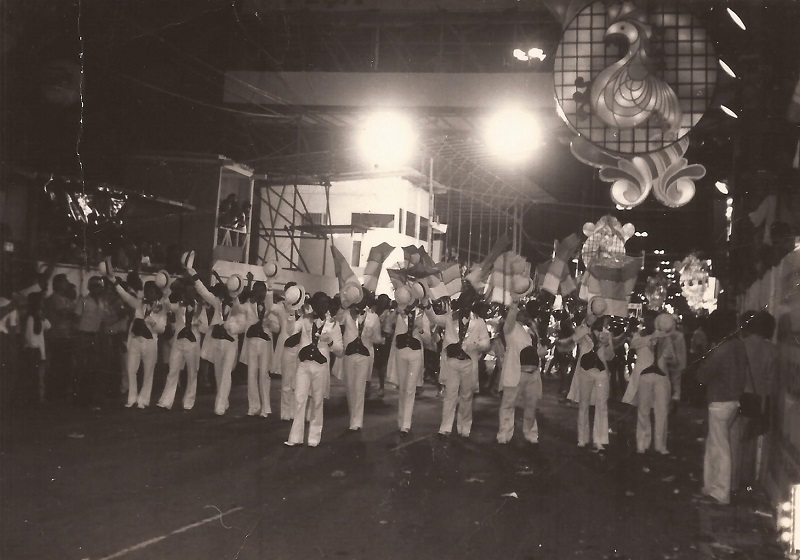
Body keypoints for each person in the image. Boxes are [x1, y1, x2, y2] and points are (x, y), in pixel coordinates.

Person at [424, 286, 490, 438]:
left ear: (471, 304)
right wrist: (427, 305)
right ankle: (445, 428)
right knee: (450, 395)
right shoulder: (450, 317)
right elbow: (434, 319)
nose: (465, 306)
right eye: (463, 302)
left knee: (466, 396)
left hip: (468, 363)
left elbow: (486, 343)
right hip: (452, 362)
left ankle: (464, 427)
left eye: (468, 303)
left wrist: (475, 345)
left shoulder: (479, 322)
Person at [186, 258, 248, 416]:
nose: (227, 294)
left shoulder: (240, 308)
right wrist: (193, 274)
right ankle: (224, 401)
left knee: (226, 373)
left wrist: (229, 327)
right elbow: (203, 291)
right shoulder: (217, 302)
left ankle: (219, 405)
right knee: (218, 374)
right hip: (216, 342)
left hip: (230, 343)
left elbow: (242, 326)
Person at [696, 309, 744, 505]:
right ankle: (710, 487)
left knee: (719, 448)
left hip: (719, 401)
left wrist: (705, 355)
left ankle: (720, 493)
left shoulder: (721, 349)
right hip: (734, 400)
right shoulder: (738, 345)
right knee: (714, 446)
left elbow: (703, 376)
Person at [285, 292, 343, 447]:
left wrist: (330, 342)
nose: (322, 307)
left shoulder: (333, 324)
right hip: (303, 365)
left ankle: (314, 438)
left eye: (325, 304)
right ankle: (295, 437)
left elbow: (340, 351)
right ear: (313, 305)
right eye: (319, 303)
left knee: (317, 401)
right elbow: (290, 331)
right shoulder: (304, 319)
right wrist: (290, 314)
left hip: (320, 367)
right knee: (299, 399)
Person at [106, 265, 167, 409]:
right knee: (131, 370)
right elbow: (125, 295)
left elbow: (161, 329)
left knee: (148, 373)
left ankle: (143, 400)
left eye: (151, 291)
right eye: (147, 291)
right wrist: (113, 280)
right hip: (135, 340)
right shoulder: (139, 303)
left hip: (150, 342)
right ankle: (131, 398)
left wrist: (150, 319)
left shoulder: (160, 309)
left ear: (156, 294)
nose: (148, 294)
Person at [731, 310, 776, 493]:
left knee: (734, 440)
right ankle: (745, 480)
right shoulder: (771, 350)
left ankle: (731, 481)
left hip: (739, 396)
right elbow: (770, 381)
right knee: (750, 441)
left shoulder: (741, 345)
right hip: (757, 400)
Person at [567, 298, 617, 452]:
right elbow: (574, 339)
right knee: (583, 404)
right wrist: (587, 326)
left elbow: (610, 356)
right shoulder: (584, 329)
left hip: (601, 372)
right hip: (585, 370)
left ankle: (599, 440)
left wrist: (606, 344)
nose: (598, 321)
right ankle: (582, 439)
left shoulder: (606, 334)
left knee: (601, 405)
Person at [497, 300, 546, 445]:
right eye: (522, 312)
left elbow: (536, 350)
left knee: (531, 405)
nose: (525, 315)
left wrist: (542, 351)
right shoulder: (510, 328)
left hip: (533, 374)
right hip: (516, 372)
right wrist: (514, 304)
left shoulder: (532, 329)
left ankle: (531, 434)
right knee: (508, 404)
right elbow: (511, 317)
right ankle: (504, 435)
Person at [623, 311, 672, 455]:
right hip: (643, 376)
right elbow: (634, 345)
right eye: (648, 320)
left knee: (661, 410)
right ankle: (642, 444)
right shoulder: (639, 335)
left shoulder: (664, 336)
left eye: (653, 320)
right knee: (643, 411)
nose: (650, 323)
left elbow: (670, 355)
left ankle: (660, 446)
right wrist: (652, 337)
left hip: (660, 376)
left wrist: (662, 340)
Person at [158, 279, 209, 410]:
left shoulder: (200, 307)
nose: (189, 293)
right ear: (183, 293)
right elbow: (166, 305)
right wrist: (166, 290)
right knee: (173, 370)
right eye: (187, 291)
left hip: (193, 343)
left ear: (195, 292)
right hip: (178, 342)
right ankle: (166, 401)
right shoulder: (179, 306)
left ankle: (188, 402)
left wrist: (196, 322)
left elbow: (205, 328)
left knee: (192, 372)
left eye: (192, 291)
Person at [388, 287, 430, 435]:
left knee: (410, 389)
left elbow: (428, 340)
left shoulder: (422, 315)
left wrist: (421, 329)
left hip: (415, 354)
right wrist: (395, 313)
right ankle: (401, 421)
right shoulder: (398, 313)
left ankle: (406, 425)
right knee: (402, 388)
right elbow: (386, 327)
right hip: (401, 352)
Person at [339, 293, 381, 431]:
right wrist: (345, 305)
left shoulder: (374, 317)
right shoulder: (346, 314)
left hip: (364, 355)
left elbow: (378, 339)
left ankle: (357, 421)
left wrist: (371, 335)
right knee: (350, 387)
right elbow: (336, 322)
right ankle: (353, 417)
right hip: (349, 354)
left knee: (360, 387)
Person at [241, 278, 277, 417]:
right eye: (258, 290)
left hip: (265, 343)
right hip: (251, 342)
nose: (260, 293)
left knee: (264, 375)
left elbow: (277, 327)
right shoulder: (247, 306)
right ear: (254, 291)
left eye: (263, 290)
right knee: (251, 374)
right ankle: (253, 406)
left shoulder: (270, 307)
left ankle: (265, 408)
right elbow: (240, 320)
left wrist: (269, 323)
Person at [73, 275, 109, 406]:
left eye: (99, 286)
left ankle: (91, 396)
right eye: (95, 286)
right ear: (90, 287)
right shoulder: (83, 301)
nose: (97, 289)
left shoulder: (102, 302)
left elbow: (104, 320)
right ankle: (79, 395)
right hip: (84, 335)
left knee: (94, 366)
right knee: (81, 365)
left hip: (96, 336)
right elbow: (76, 318)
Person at [274, 282, 305, 420]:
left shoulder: (305, 310)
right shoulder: (281, 308)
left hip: (301, 348)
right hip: (287, 347)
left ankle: (295, 411)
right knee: (287, 382)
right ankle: (285, 413)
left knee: (298, 382)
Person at [44, 274, 77, 401]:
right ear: (57, 284)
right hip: (57, 337)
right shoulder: (54, 299)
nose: (66, 283)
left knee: (66, 365)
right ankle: (55, 393)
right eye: (64, 281)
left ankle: (62, 392)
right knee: (58, 365)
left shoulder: (65, 299)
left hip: (66, 336)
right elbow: (65, 313)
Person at [23, 292, 51, 404]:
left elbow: (49, 326)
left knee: (40, 375)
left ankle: (40, 398)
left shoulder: (39, 317)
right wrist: (34, 348)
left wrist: (43, 318)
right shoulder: (30, 318)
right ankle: (35, 398)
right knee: (34, 375)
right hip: (34, 350)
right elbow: (29, 336)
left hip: (39, 351)